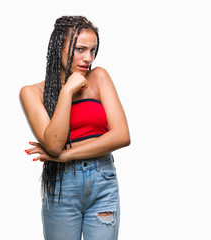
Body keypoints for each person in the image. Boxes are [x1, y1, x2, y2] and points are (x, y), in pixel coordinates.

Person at [19, 15, 130, 240]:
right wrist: (68, 91)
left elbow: (121, 136)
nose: (88, 58)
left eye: (92, 50)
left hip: (102, 181)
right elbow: (53, 144)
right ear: (58, 47)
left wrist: (67, 155)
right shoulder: (32, 93)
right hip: (61, 186)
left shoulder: (99, 77)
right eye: (80, 49)